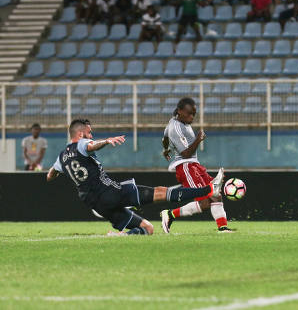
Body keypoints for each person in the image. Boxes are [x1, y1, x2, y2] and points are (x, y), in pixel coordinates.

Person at [46, 119, 224, 236]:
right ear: (79, 134)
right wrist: (106, 141)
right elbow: (91, 145)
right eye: (89, 132)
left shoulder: (61, 157)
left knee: (148, 229)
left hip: (96, 204)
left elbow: (50, 176)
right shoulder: (82, 144)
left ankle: (120, 237)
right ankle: (209, 188)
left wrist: (61, 171)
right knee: (162, 192)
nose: (91, 135)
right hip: (110, 192)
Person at [160, 97, 232, 233]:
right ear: (180, 111)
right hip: (186, 166)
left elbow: (164, 137)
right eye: (189, 113)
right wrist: (198, 139)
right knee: (207, 199)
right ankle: (170, 215)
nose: (192, 117)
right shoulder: (176, 128)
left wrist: (166, 149)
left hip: (194, 165)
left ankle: (223, 228)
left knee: (216, 194)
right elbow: (186, 154)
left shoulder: (175, 122)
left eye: (194, 114)